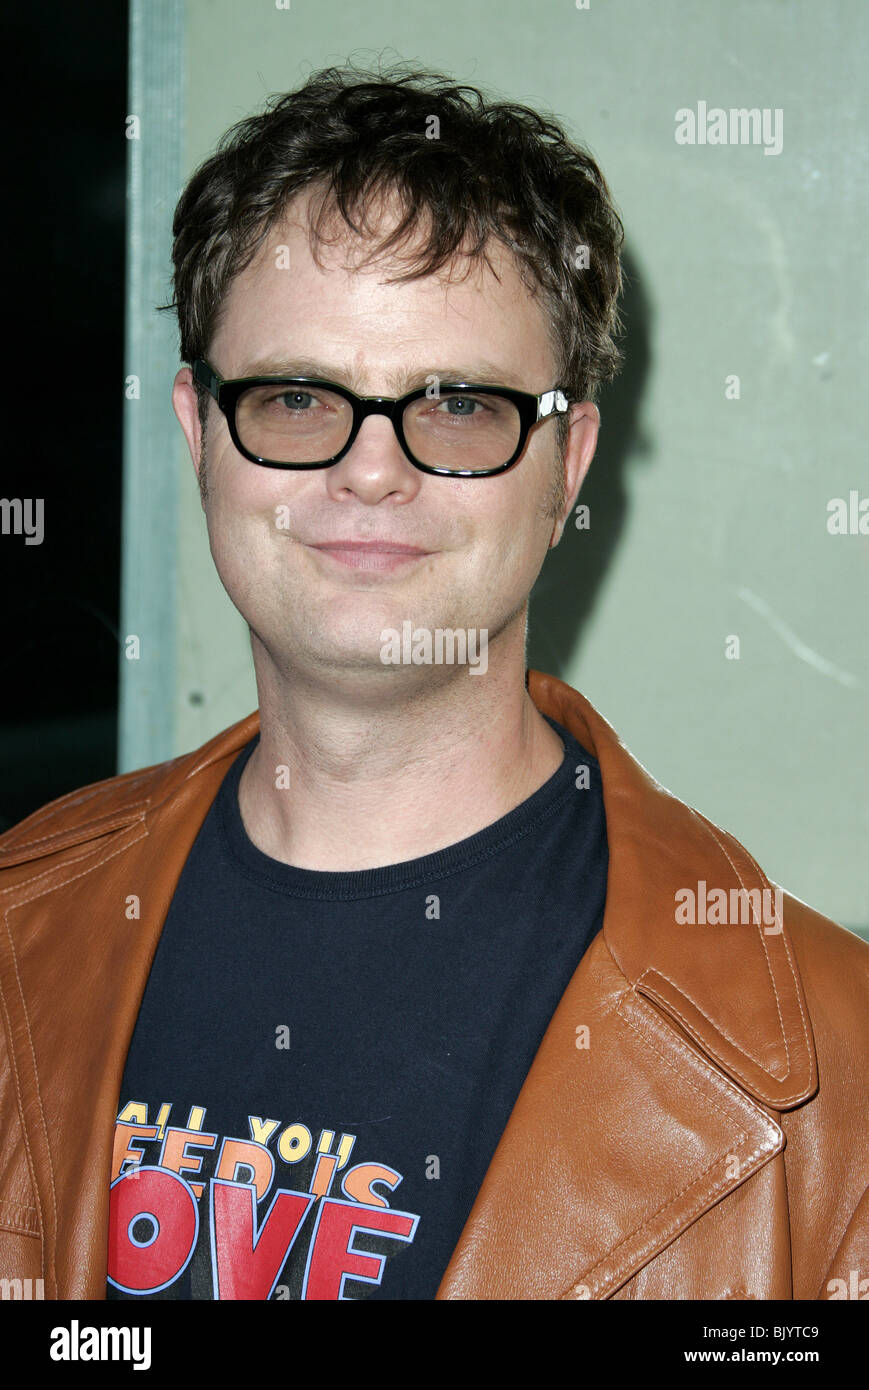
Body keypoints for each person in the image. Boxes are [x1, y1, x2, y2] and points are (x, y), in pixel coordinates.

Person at [0, 65, 865, 1304]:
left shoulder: (832, 1074)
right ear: (199, 431)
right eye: (297, 398)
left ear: (565, 463)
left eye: (456, 406)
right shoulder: (16, 932)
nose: (369, 471)